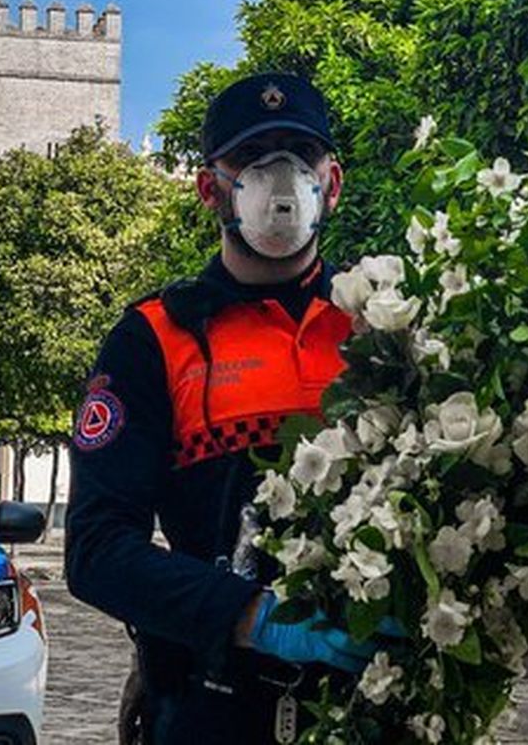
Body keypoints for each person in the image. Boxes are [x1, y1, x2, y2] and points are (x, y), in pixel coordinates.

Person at [65, 73, 370, 744]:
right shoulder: (153, 338)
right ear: (210, 188)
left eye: (299, 154)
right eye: (253, 160)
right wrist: (250, 615)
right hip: (209, 705)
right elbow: (96, 549)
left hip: (375, 712)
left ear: (333, 183)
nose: (281, 179)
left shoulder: (383, 325)